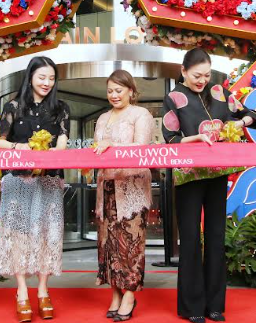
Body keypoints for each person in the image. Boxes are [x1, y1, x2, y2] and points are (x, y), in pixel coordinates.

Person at [162, 48, 256, 323]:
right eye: (196, 75)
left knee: (216, 237)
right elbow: (169, 138)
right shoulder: (172, 98)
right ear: (183, 71)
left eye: (206, 74)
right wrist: (195, 139)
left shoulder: (219, 91)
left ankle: (215, 305)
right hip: (189, 176)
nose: (202, 80)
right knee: (191, 240)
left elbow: (249, 113)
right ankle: (192, 307)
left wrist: (239, 123)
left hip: (218, 173)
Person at [0, 56, 70, 322]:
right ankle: (22, 291)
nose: (47, 83)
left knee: (47, 234)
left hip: (48, 180)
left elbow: (62, 143)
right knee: (19, 233)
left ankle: (43, 290)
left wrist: (51, 155)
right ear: (31, 77)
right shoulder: (13, 106)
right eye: (42, 77)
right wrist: (19, 148)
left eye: (51, 78)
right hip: (18, 180)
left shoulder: (60, 108)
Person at [93, 70, 154, 322]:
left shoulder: (141, 114)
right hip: (106, 187)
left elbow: (142, 148)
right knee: (108, 244)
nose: (114, 95)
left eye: (119, 90)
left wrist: (112, 146)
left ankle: (130, 294)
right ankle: (115, 293)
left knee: (130, 243)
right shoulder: (102, 117)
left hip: (132, 188)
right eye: (110, 91)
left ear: (131, 90)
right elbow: (96, 150)